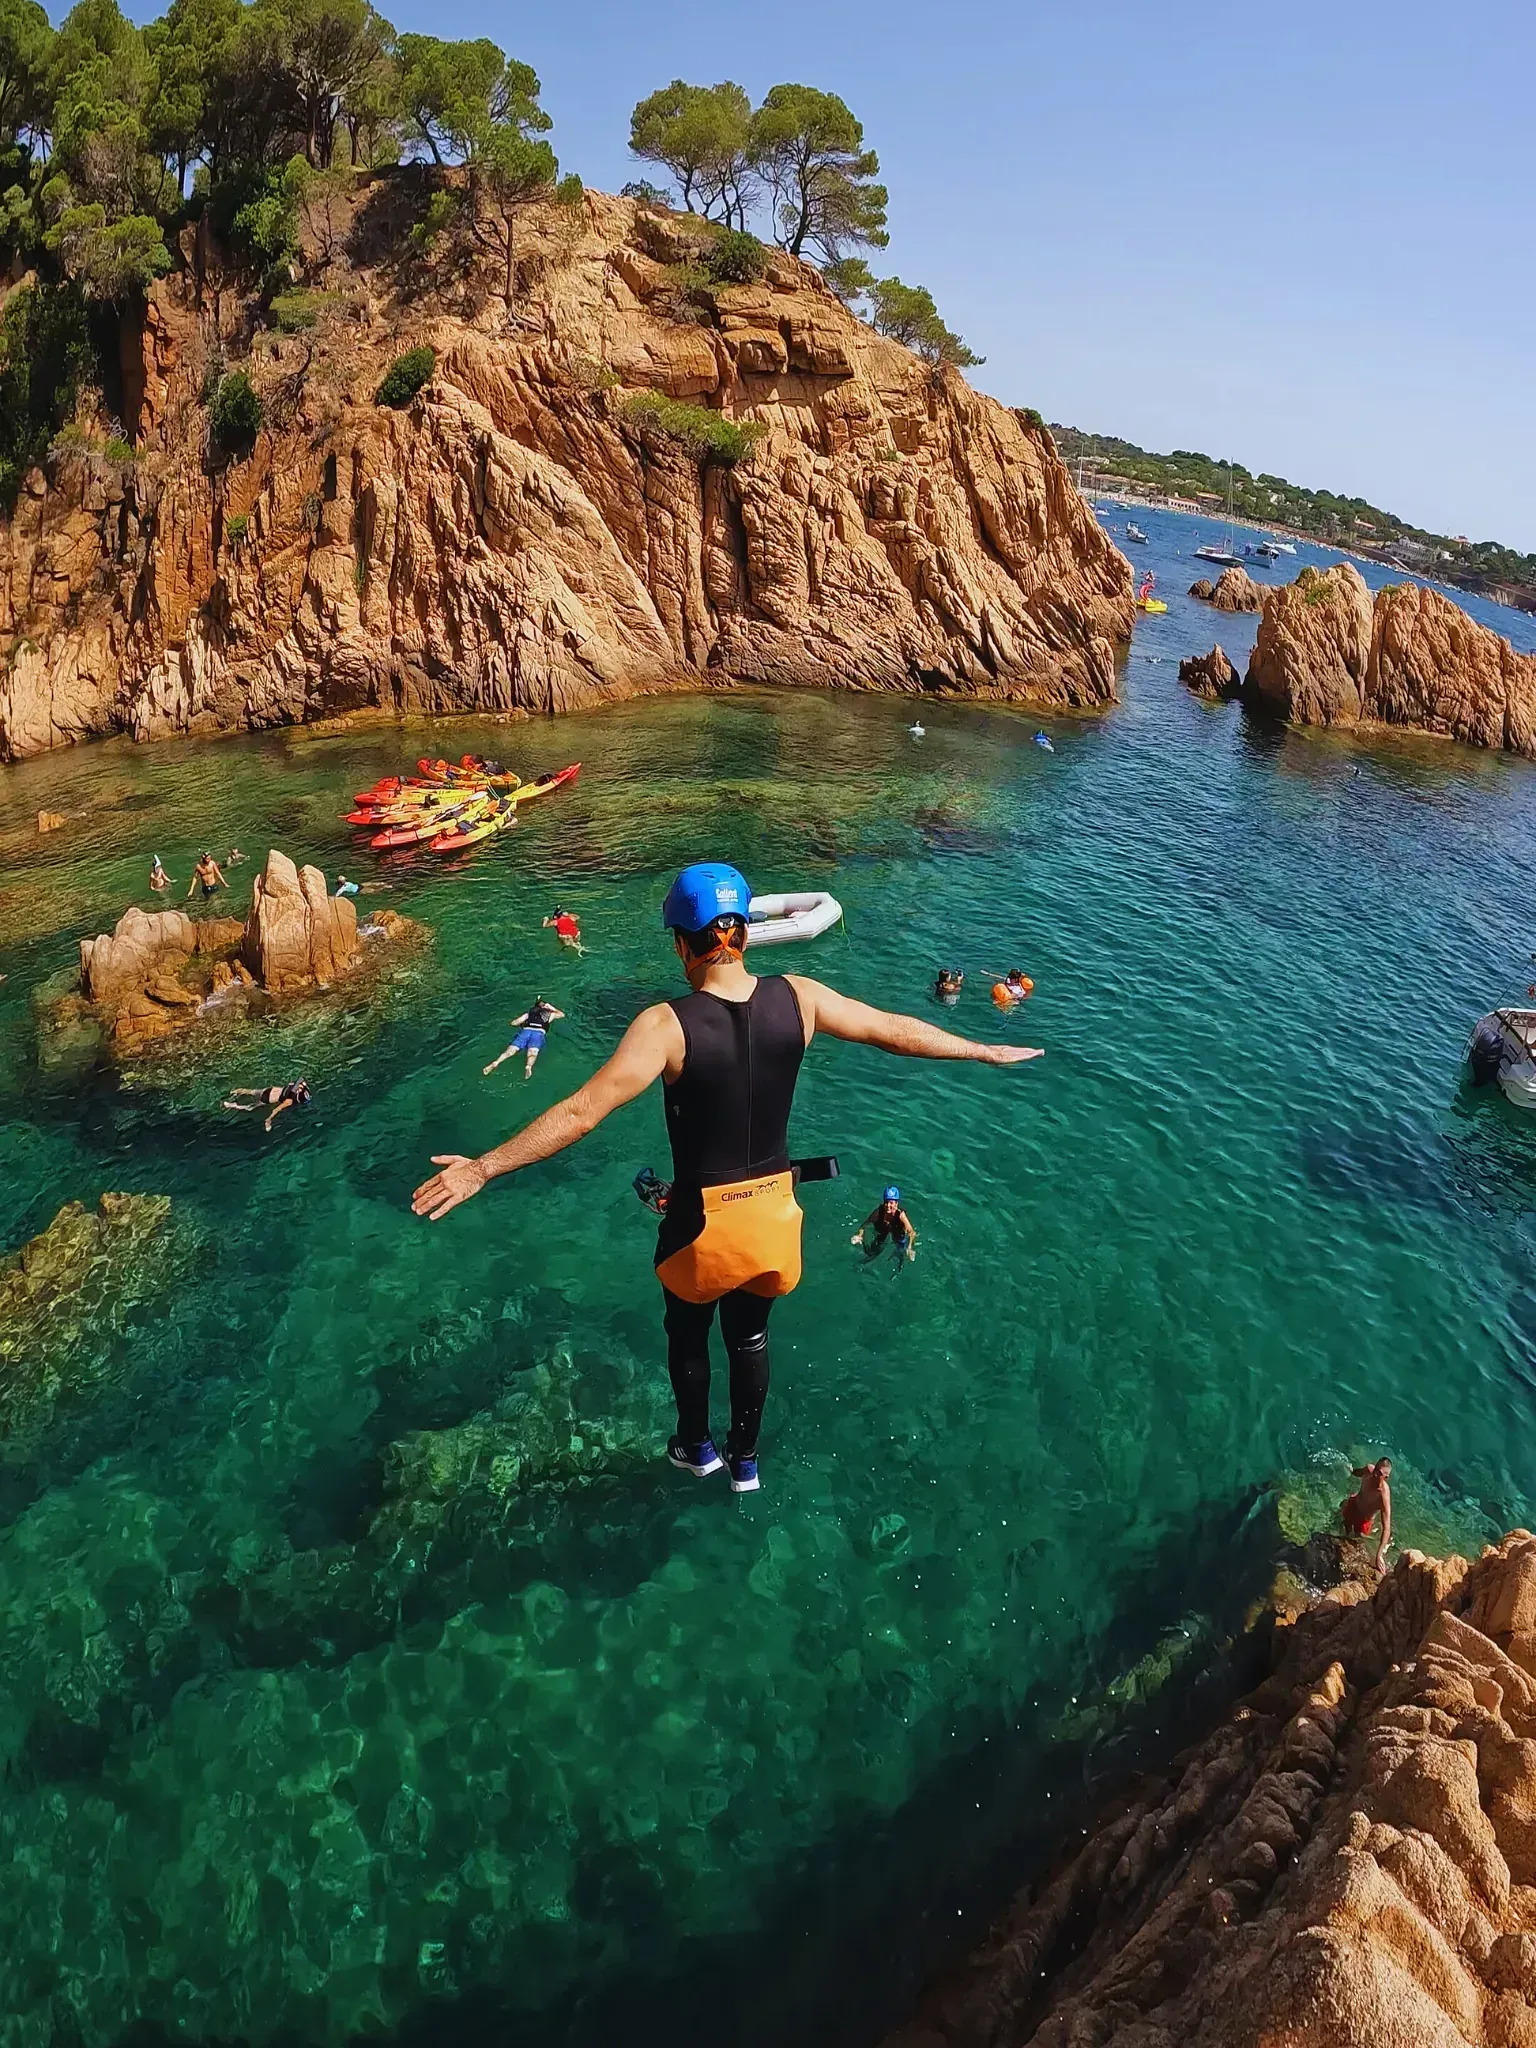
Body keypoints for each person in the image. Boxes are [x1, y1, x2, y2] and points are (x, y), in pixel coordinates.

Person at [414, 861, 1044, 1495]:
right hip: (775, 1221)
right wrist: (980, 1049)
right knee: (750, 1336)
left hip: (701, 1227)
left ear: (683, 942)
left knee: (688, 1334)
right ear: (743, 932)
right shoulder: (802, 996)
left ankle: (696, 1446)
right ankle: (746, 1460)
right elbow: (893, 1032)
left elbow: (581, 1113)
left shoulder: (665, 1024)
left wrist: (484, 1167)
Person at [484, 999, 564, 1080]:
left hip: (526, 1031)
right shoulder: (549, 1014)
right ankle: (528, 1066)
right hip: (538, 1033)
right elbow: (561, 1014)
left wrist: (523, 1024)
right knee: (532, 1052)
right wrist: (551, 1007)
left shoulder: (529, 1014)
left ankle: (496, 1062)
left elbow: (514, 1023)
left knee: (511, 1050)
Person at [1340, 1458, 1393, 1571]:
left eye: (1380, 1474)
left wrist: (1379, 1555)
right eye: (1376, 1471)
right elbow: (1356, 1472)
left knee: (1355, 1543)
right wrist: (1349, 1469)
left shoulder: (1383, 1496)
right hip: (1354, 1505)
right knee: (1343, 1530)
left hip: (1364, 1520)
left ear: (1386, 1477)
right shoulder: (1369, 1470)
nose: (1375, 1475)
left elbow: (1387, 1528)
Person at [853, 1186, 917, 1264]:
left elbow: (912, 1232)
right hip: (883, 1230)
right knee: (872, 1251)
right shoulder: (878, 1212)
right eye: (886, 1202)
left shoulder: (901, 1215)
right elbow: (864, 1225)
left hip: (897, 1231)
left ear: (896, 1204)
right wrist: (859, 1235)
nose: (888, 1205)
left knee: (900, 1249)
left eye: (891, 1203)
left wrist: (909, 1248)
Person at [223, 1078, 312, 1132]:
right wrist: (268, 1120)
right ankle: (232, 1105)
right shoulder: (290, 1101)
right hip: (266, 1099)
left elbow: (301, 1080)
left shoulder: (297, 1086)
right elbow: (276, 1109)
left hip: (268, 1090)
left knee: (250, 1091)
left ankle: (233, 1092)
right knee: (249, 1108)